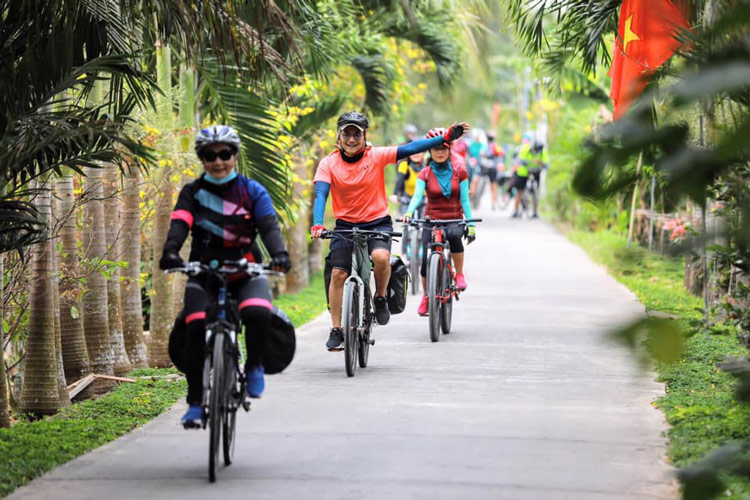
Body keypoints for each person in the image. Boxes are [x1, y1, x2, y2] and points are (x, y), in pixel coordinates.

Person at [159, 125, 292, 428]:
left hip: (246, 271)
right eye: (210, 155)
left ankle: (255, 365)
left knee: (258, 312)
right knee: (194, 328)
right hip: (203, 272)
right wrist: (170, 251)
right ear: (201, 158)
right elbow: (180, 223)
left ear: (235, 155)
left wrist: (279, 254)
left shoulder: (252, 191)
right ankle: (195, 403)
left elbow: (269, 226)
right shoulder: (192, 193)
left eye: (225, 154)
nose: (218, 161)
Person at [311, 111, 469, 351]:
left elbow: (411, 148)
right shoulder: (328, 163)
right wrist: (317, 223)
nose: (352, 139)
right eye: (347, 133)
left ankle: (381, 297)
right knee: (338, 275)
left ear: (365, 136)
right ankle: (336, 329)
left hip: (376, 221)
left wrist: (444, 137)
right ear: (339, 136)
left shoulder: (376, 156)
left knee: (381, 257)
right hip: (345, 224)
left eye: (357, 134)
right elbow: (321, 193)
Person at [402, 127, 476, 316]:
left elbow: (465, 200)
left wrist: (471, 224)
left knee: (453, 236)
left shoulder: (460, 171)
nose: (440, 152)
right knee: (427, 261)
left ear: (449, 149)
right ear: (430, 151)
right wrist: (409, 212)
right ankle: (427, 296)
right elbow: (417, 196)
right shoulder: (425, 173)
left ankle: (459, 274)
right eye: (436, 149)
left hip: (453, 218)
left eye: (443, 148)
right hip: (431, 219)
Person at [513, 139, 549, 218]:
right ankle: (515, 211)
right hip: (524, 172)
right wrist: (530, 161)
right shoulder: (525, 149)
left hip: (536, 172)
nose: (536, 152)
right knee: (520, 191)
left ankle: (535, 212)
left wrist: (540, 163)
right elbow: (520, 160)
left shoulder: (543, 151)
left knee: (536, 192)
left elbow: (547, 165)